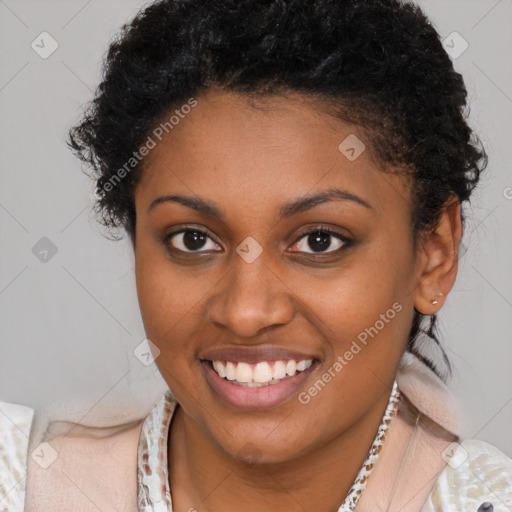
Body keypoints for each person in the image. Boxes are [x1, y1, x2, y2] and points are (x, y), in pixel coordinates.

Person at [1, 0, 511, 510]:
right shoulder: (22, 484)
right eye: (193, 239)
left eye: (319, 241)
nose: (245, 313)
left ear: (434, 254)